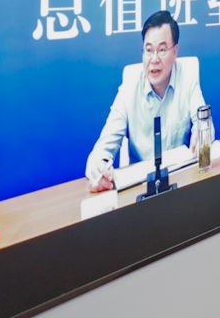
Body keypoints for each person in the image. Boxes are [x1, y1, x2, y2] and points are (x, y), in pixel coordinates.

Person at [85, 10, 209, 192]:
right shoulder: (128, 89)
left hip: (181, 184)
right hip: (142, 190)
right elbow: (102, 148)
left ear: (175, 51)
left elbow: (204, 124)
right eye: (149, 50)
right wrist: (98, 169)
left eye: (162, 50)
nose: (154, 59)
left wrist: (202, 134)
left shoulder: (188, 78)